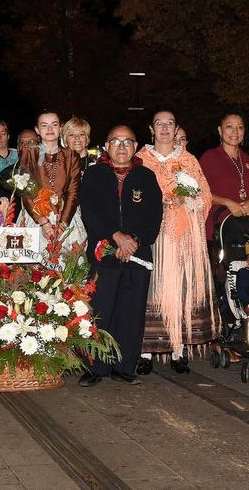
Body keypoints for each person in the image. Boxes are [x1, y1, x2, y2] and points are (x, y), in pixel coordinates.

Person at [135, 110, 218, 374]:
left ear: (176, 128)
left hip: (182, 236)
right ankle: (146, 351)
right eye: (159, 123)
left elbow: (205, 196)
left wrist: (187, 200)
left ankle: (179, 349)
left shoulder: (188, 159)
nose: (164, 128)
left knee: (181, 288)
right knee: (152, 288)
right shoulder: (140, 159)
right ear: (151, 128)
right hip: (153, 235)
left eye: (170, 123)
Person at [80, 126, 163, 386]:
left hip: (136, 257)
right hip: (104, 253)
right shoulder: (93, 175)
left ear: (136, 146)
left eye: (128, 141)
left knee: (131, 312)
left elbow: (154, 217)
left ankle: (125, 366)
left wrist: (134, 241)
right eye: (115, 141)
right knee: (100, 311)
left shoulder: (146, 176)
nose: (122, 147)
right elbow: (90, 213)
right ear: (106, 145)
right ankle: (96, 367)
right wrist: (115, 236)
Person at [19, 111, 84, 251]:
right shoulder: (29, 154)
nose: (49, 129)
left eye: (54, 124)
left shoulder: (71, 156)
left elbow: (73, 193)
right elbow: (25, 191)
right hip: (36, 218)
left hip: (66, 217)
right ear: (37, 130)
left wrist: (62, 225)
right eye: (44, 125)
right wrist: (43, 222)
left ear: (60, 128)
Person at [199, 112, 249, 245]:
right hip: (221, 226)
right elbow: (200, 192)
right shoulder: (209, 157)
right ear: (220, 130)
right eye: (229, 126)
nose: (235, 131)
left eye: (240, 127)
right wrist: (227, 202)